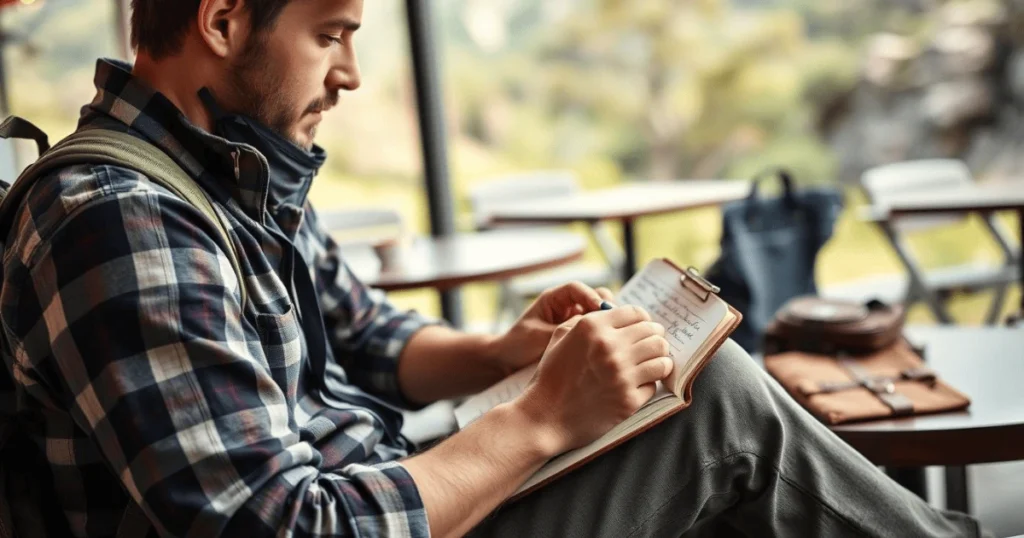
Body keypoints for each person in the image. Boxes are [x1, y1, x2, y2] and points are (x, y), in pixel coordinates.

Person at [0, 1, 989, 537]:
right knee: (718, 406)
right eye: (333, 34)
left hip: (387, 471)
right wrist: (541, 415)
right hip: (360, 508)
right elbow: (281, 525)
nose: (348, 74)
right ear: (221, 23)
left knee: (691, 422)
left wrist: (504, 352)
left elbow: (368, 335)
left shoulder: (225, 176)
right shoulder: (121, 224)